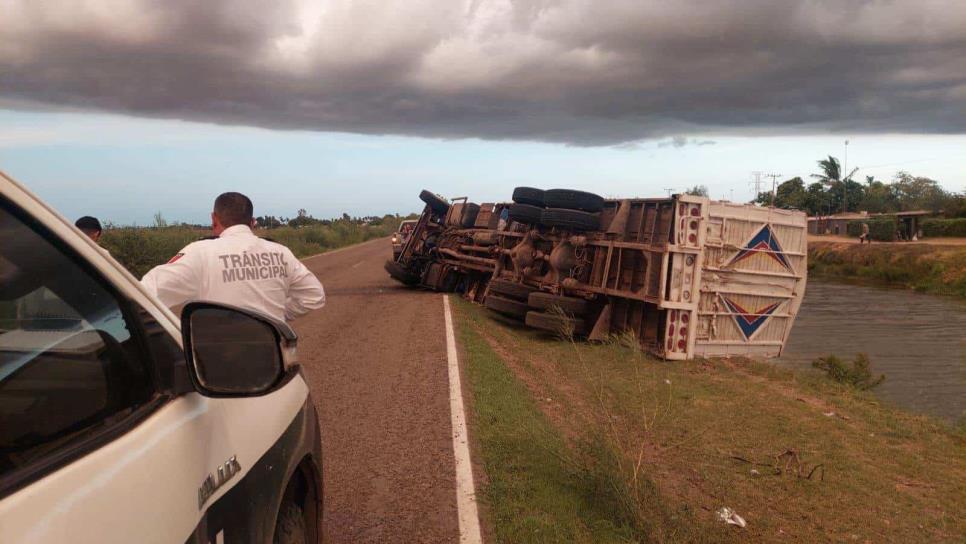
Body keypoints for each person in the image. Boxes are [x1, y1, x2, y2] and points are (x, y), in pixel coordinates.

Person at [141, 192, 325, 322]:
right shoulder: (281, 252)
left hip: (216, 368)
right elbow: (314, 295)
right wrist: (276, 319)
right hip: (276, 364)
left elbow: (144, 293)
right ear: (252, 222)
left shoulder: (199, 253)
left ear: (214, 218)